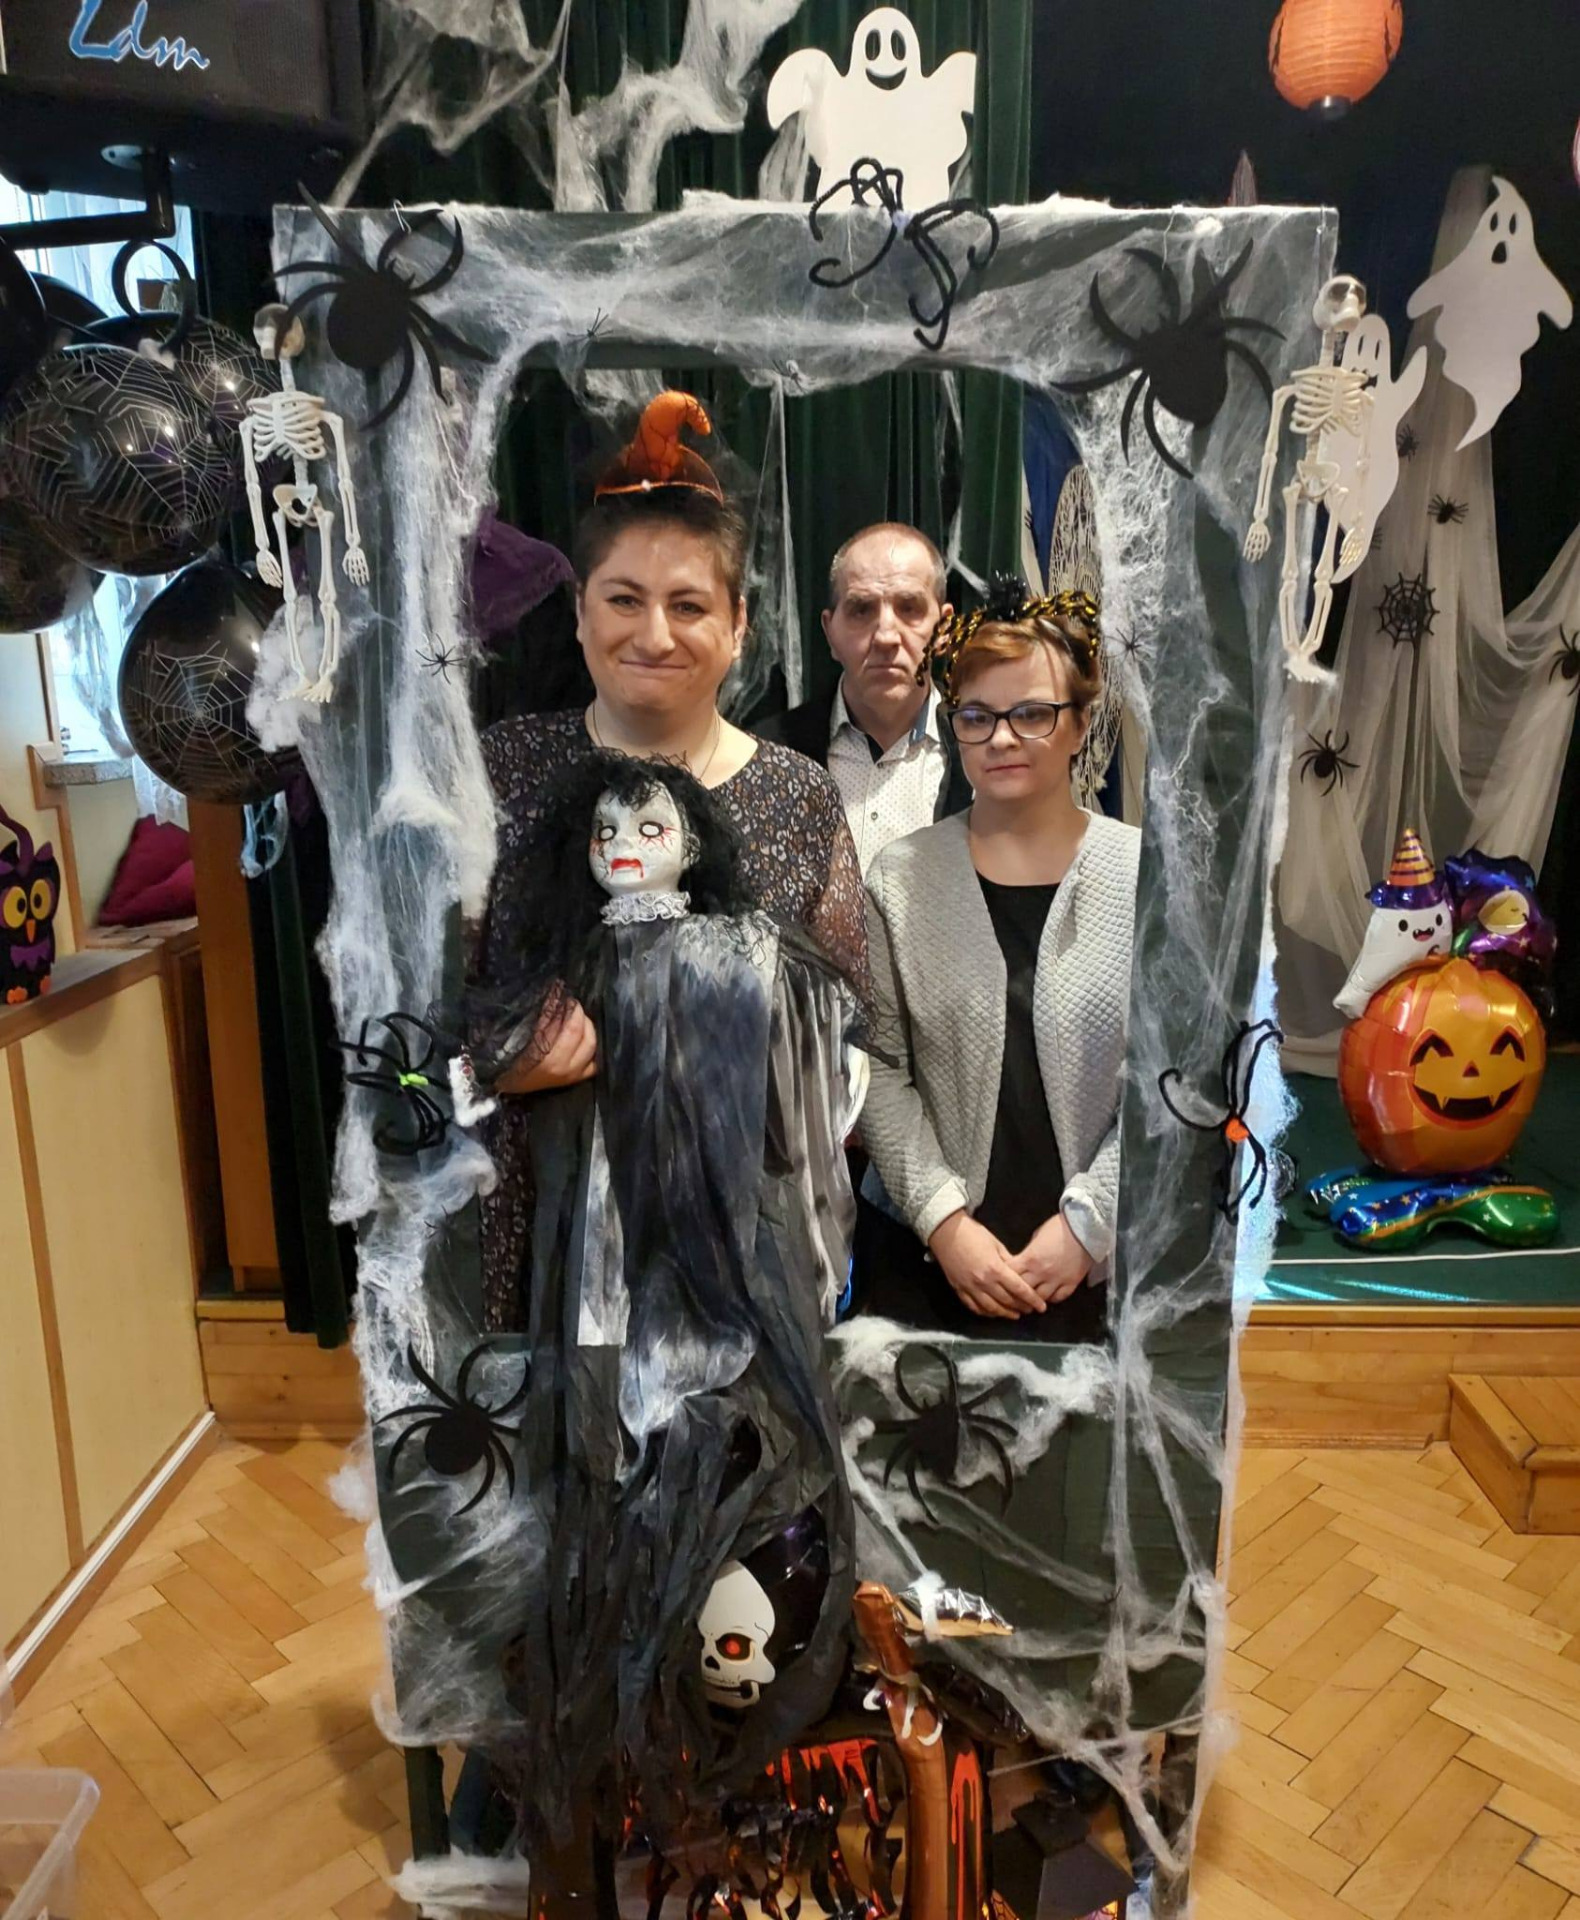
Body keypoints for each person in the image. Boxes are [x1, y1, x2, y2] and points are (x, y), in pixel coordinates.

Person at [469, 752, 862, 1857]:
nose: (626, 848)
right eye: (607, 833)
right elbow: (454, 1062)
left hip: (734, 1266)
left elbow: (828, 1082)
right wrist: (510, 1060)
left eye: (649, 829)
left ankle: (739, 1750)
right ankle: (624, 1768)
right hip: (601, 1275)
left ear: (693, 840)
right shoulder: (569, 972)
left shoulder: (750, 951)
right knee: (608, 1494)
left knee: (752, 1482)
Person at [474, 390, 868, 1330]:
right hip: (539, 1253)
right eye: (624, 599)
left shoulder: (798, 797)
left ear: (738, 625)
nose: (653, 635)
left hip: (744, 1263)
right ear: (580, 613)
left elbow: (850, 1029)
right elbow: (418, 1014)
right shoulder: (502, 774)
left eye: (688, 605)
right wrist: (498, 1060)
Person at [857, 580, 1138, 1340]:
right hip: (929, 1269)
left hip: (1099, 1273)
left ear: (1081, 724)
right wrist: (944, 1223)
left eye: (1033, 714)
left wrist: (1088, 1225)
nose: (1002, 739)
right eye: (977, 717)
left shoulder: (1141, 876)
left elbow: (1175, 1079)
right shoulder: (900, 878)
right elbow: (877, 1066)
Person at [759, 522, 973, 876]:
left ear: (944, 629)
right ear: (830, 632)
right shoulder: (768, 756)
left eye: (909, 608)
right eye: (861, 610)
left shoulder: (984, 751)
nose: (886, 636)